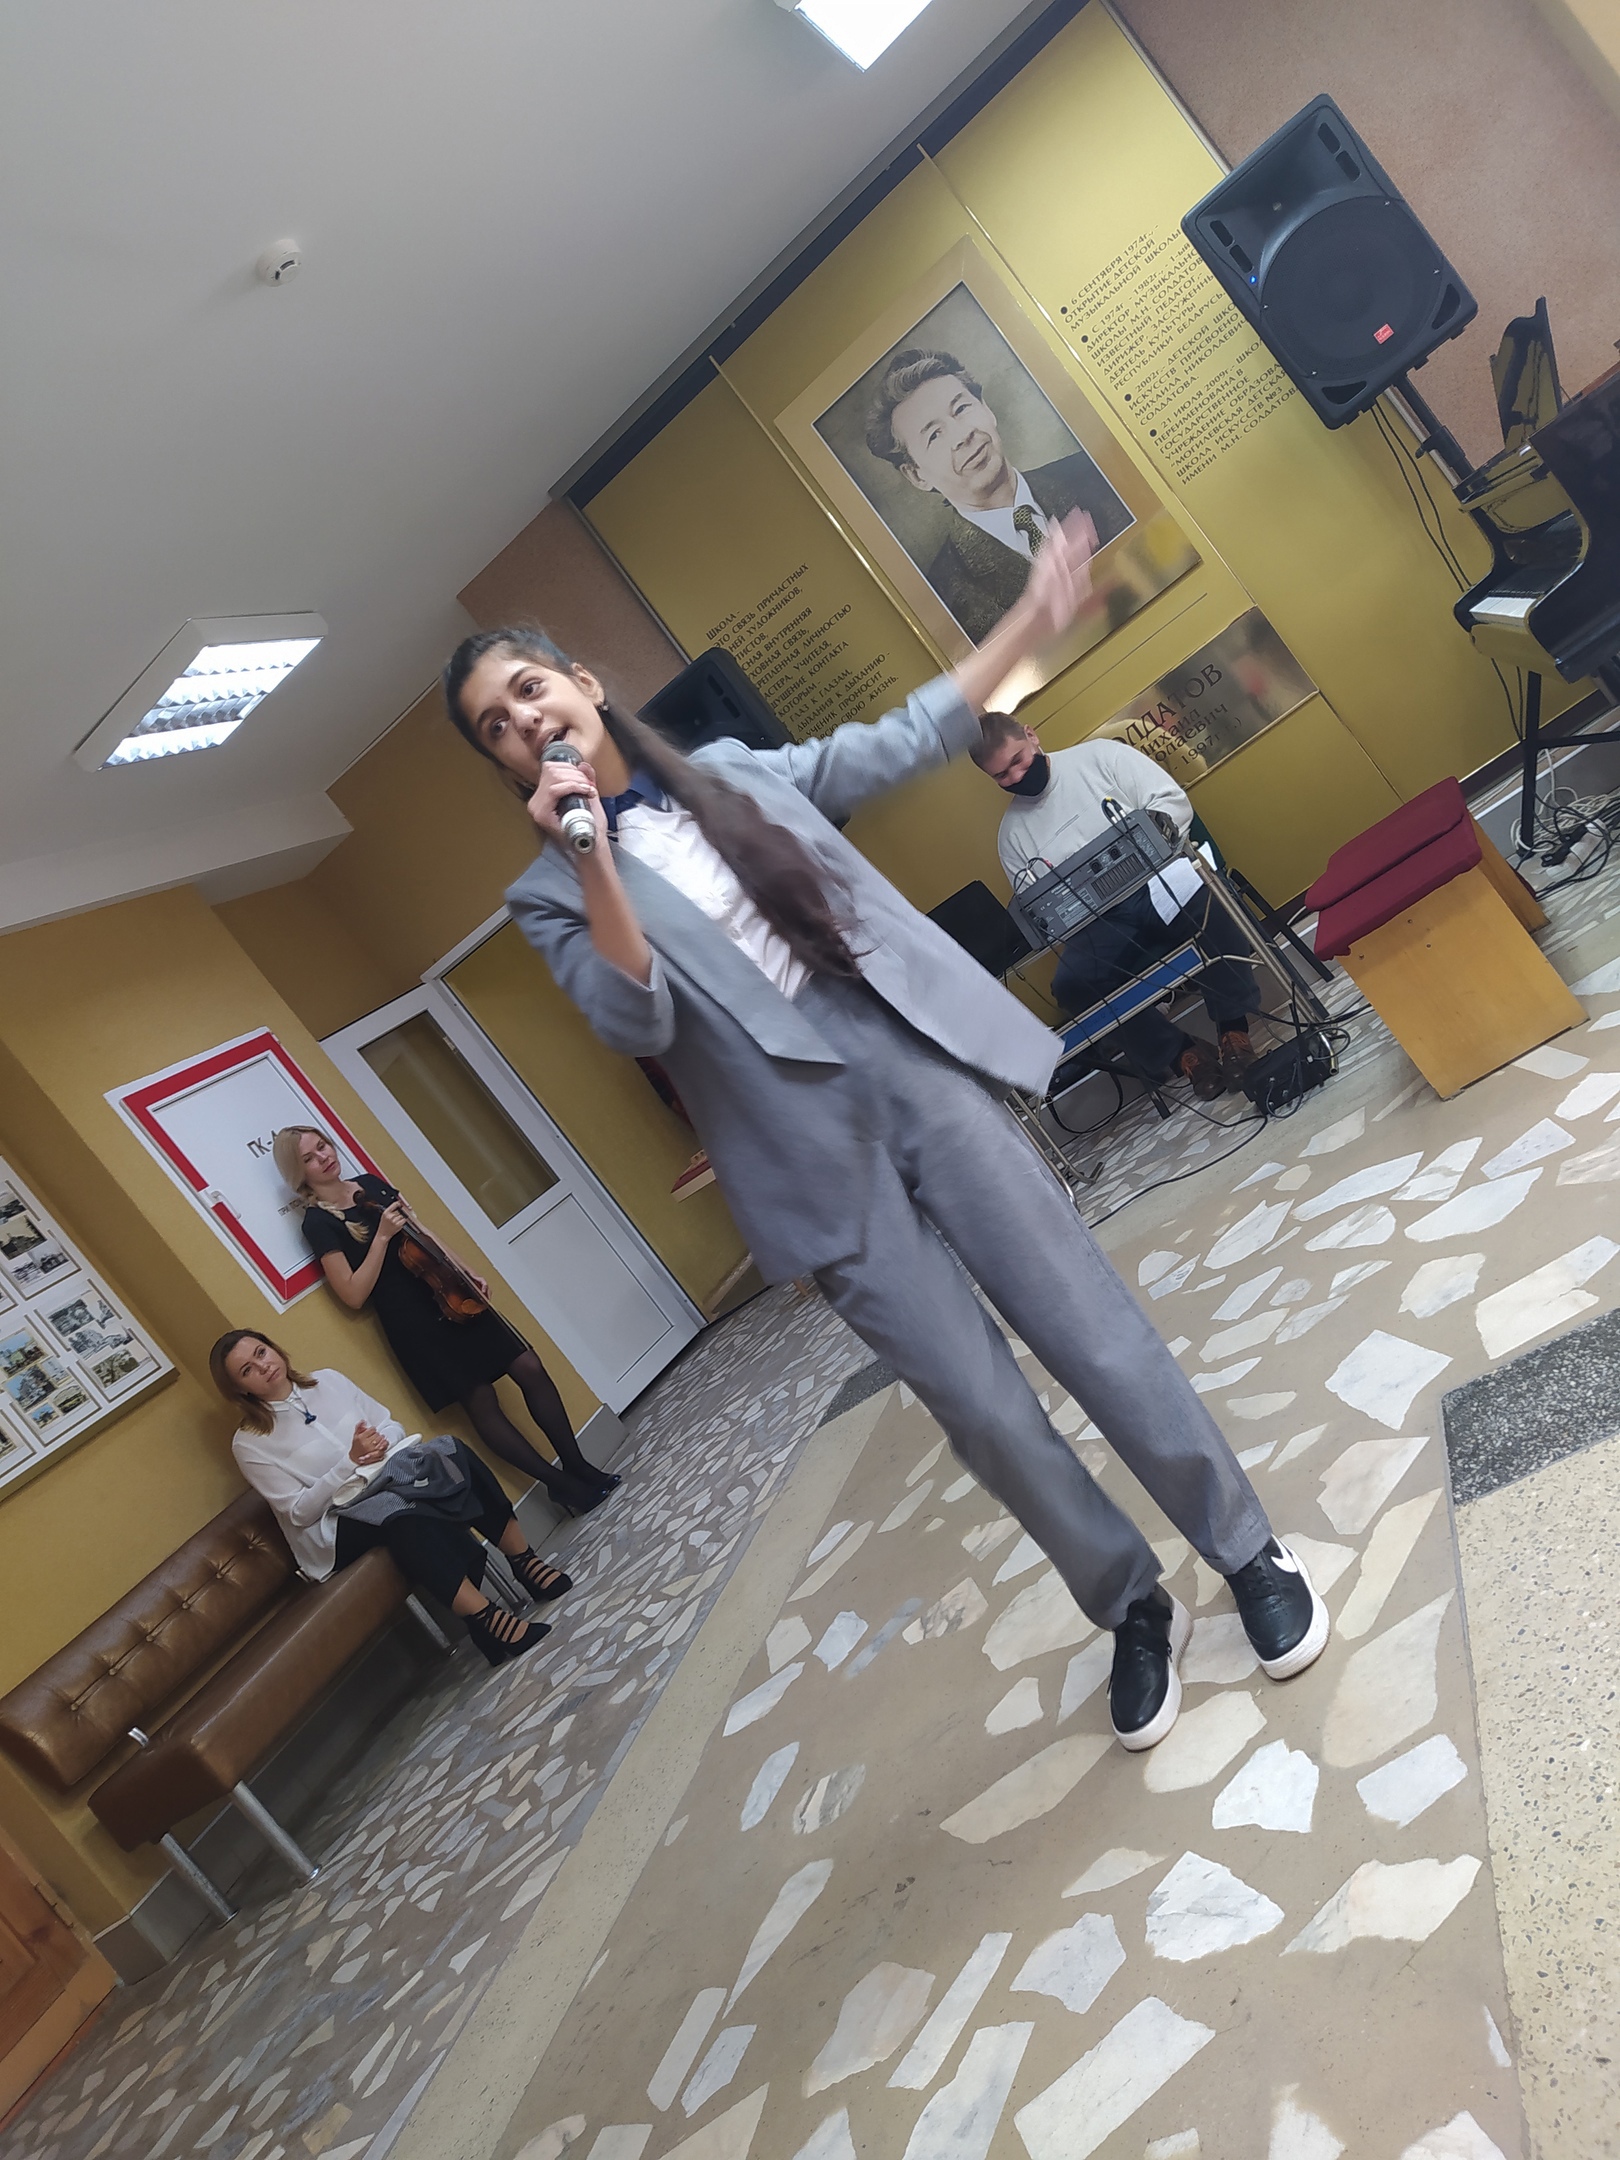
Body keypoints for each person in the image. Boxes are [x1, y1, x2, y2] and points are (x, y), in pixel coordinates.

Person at [438, 512, 1329, 1753]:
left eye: (530, 689)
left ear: (582, 686)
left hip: (907, 1068)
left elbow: (903, 736)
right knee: (983, 1413)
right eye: (496, 724)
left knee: (1086, 1326)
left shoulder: (735, 772)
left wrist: (1027, 622)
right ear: (504, 764)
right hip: (801, 1156)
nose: (523, 720)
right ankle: (1129, 1604)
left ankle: (1244, 1548)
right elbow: (637, 1018)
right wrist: (589, 855)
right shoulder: (547, 899)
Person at [272, 1126, 616, 1516]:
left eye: (323, 1146)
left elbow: (422, 1233)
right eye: (309, 1158)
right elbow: (352, 1295)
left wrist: (466, 1270)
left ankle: (578, 1465)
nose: (323, 1157)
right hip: (414, 1321)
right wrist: (381, 1238)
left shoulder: (368, 1183)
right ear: (299, 1173)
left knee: (528, 1366)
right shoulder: (318, 1223)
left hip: (448, 1290)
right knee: (482, 1400)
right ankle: (561, 1485)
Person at [212, 1329, 567, 1666]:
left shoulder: (328, 1381)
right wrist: (349, 1462)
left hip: (385, 1477)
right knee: (401, 1513)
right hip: (334, 1523)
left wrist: (381, 1443)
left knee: (451, 1453)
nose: (263, 1366)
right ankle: (487, 1619)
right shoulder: (249, 1444)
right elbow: (298, 1512)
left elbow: (388, 1423)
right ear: (240, 1389)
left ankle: (525, 1563)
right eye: (248, 1370)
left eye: (262, 1352)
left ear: (274, 1348)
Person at [974, 715, 1260, 1099]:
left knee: (1207, 903)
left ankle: (1233, 1030)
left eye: (1018, 760)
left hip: (1158, 882)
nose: (1016, 776)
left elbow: (1171, 802)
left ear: (1031, 735)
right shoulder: (1012, 836)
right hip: (1099, 923)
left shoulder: (1101, 758)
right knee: (1072, 985)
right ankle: (1183, 1056)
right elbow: (1041, 908)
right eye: (1001, 775)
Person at [864, 348, 1132, 644]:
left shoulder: (1094, 473)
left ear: (986, 408)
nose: (963, 436)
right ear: (916, 475)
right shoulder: (947, 597)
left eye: (961, 409)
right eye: (934, 435)